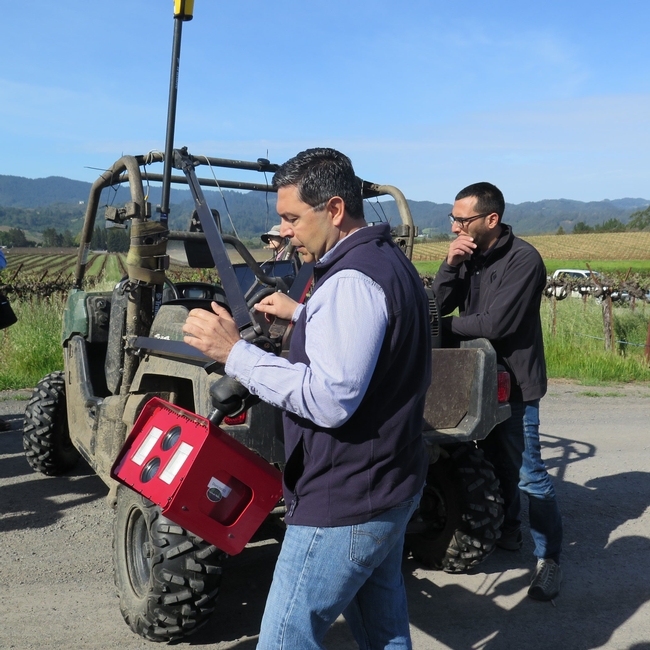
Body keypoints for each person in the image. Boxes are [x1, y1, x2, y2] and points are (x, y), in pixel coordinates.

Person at [182, 147, 431, 649]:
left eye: (293, 218)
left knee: (284, 640)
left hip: (345, 499)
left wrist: (234, 353)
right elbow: (364, 342)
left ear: (334, 209)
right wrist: (305, 316)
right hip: (389, 483)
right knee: (384, 632)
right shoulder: (385, 263)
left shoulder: (352, 281)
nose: (286, 231)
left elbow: (329, 399)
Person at [432, 181, 563, 602]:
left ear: (491, 219)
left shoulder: (524, 260)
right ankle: (508, 532)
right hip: (475, 377)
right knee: (488, 462)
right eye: (452, 218)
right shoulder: (468, 255)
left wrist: (440, 329)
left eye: (462, 219)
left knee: (528, 473)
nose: (455, 226)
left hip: (515, 383)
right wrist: (450, 265)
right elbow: (438, 303)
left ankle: (549, 561)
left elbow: (494, 325)